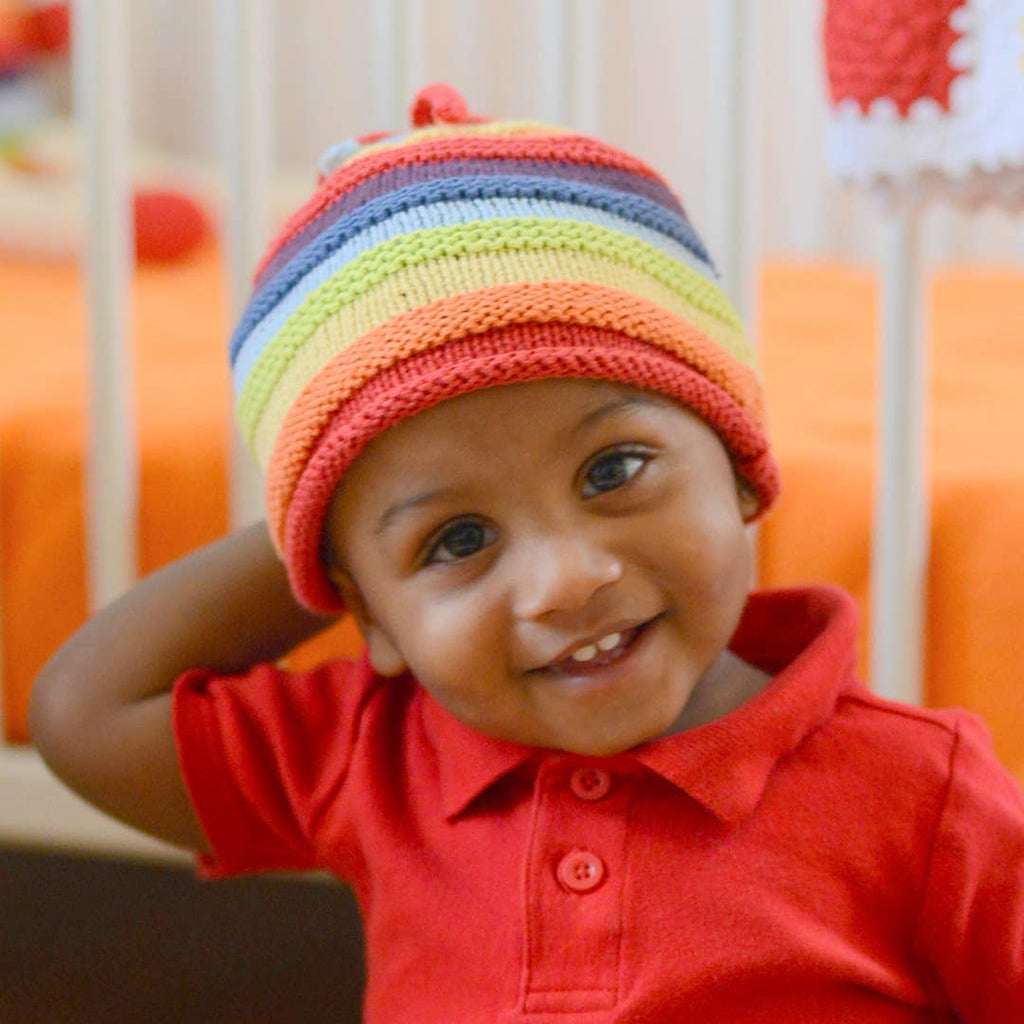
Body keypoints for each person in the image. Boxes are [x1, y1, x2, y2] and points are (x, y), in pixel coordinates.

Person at [29, 83, 1023, 1021]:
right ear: (367, 612)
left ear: (736, 464)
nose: (566, 578)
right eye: (457, 538)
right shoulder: (377, 754)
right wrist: (329, 527)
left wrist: (387, 542)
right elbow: (84, 716)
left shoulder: (923, 795)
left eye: (614, 469)